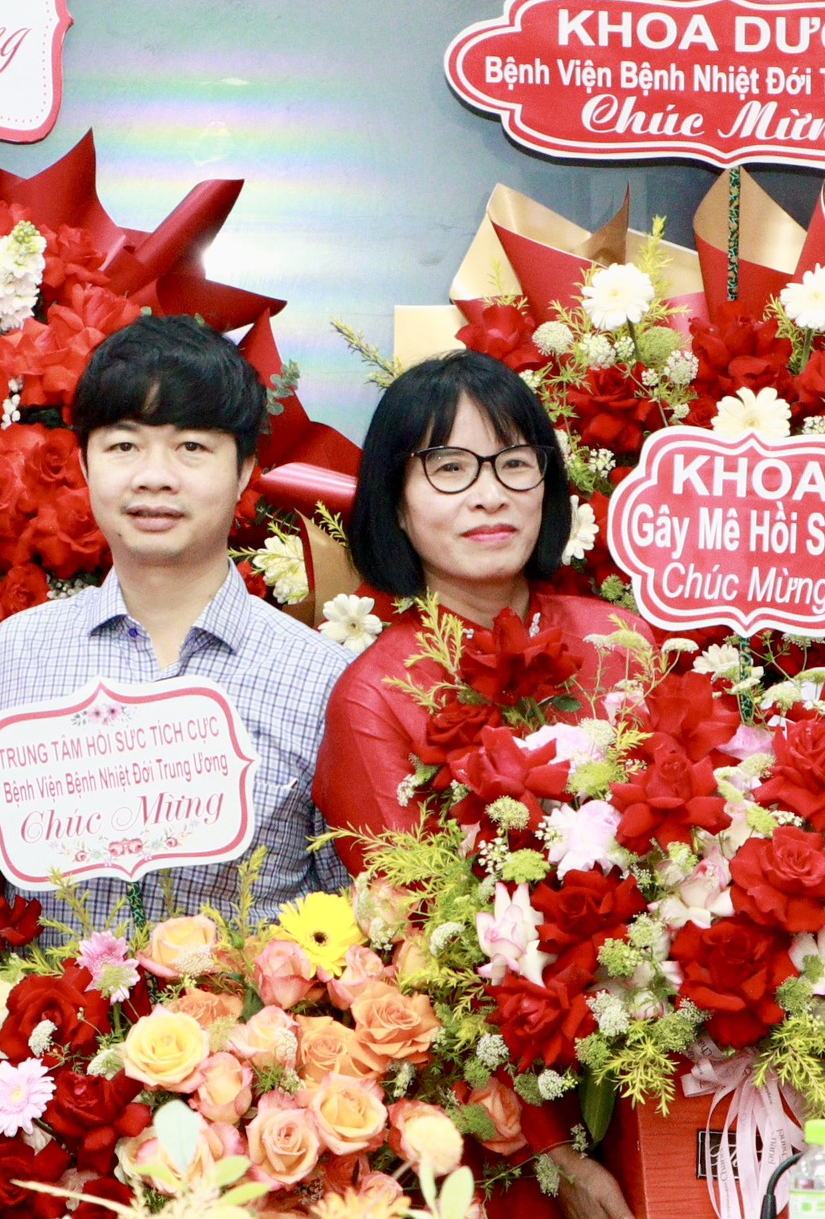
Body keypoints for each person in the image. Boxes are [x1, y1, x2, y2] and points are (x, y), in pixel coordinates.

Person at [312, 349, 647, 1219]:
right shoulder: (376, 696)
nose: (489, 494)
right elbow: (426, 959)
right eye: (449, 468)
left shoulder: (622, 644)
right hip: (498, 1128)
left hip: (663, 1072)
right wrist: (557, 1155)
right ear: (394, 501)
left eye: (512, 464)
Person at [0, 314, 352, 931]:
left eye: (191, 447)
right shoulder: (18, 653)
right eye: (124, 446)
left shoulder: (322, 678)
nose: (154, 477)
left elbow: (354, 910)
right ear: (84, 464)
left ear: (245, 470)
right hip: (48, 993)